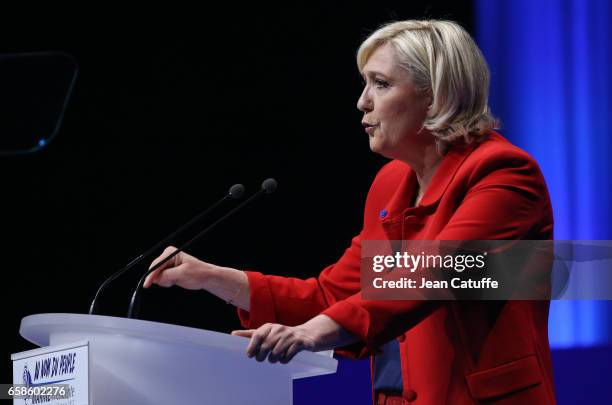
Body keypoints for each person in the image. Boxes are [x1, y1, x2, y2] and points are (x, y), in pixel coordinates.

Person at [144, 20, 556, 404]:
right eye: (365, 84)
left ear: (436, 95)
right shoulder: (390, 184)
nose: (362, 102)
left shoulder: (502, 173)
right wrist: (211, 277)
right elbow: (333, 295)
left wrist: (312, 332)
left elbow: (436, 272)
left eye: (381, 83)